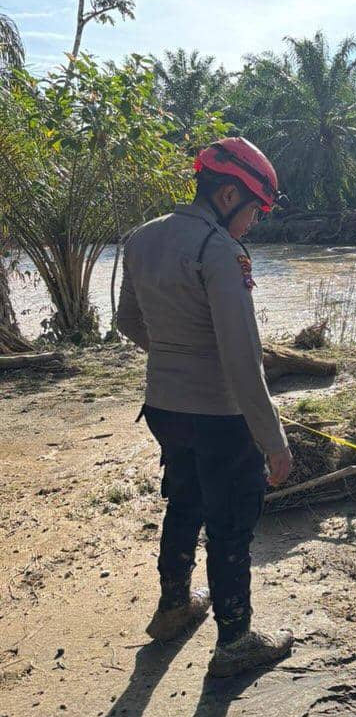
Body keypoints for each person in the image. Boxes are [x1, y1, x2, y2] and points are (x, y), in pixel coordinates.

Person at [116, 137, 295, 678]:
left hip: (164, 406)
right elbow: (243, 361)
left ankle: (174, 608)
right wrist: (275, 441)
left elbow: (127, 323)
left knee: (185, 500)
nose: (255, 224)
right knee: (231, 521)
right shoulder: (219, 250)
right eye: (255, 211)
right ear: (226, 195)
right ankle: (235, 641)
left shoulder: (140, 238)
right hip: (220, 415)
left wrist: (174, 356)